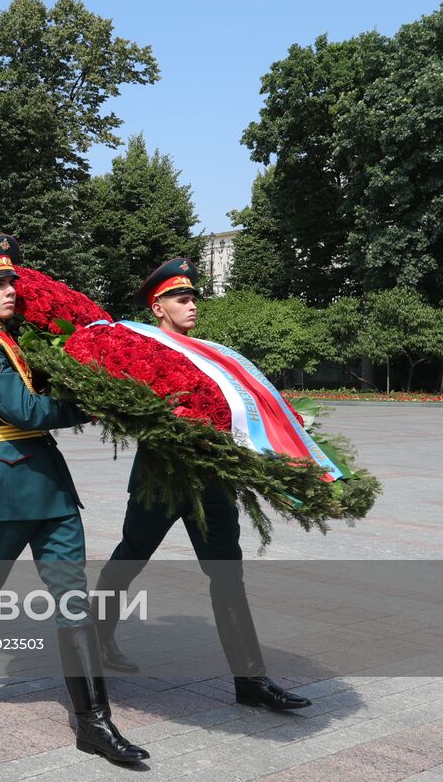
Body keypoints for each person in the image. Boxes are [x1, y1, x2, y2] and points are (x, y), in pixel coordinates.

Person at [0, 235, 147, 765]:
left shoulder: (11, 341)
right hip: (6, 485)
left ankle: (94, 722)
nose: (9, 289)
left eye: (11, 281)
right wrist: (90, 405)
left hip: (48, 484)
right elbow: (24, 413)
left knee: (73, 598)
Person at [93, 259, 311, 711]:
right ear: (158, 306)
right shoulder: (143, 348)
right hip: (161, 478)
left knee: (228, 575)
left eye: (194, 298)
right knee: (129, 560)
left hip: (211, 481)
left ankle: (250, 681)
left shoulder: (213, 357)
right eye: (182, 298)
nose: (192, 306)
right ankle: (96, 642)